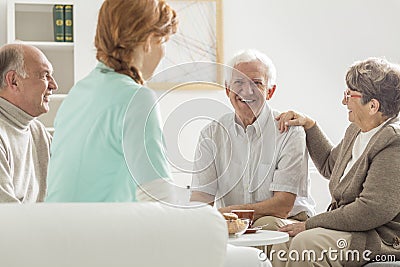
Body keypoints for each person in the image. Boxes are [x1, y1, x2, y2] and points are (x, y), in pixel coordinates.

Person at [45, 0, 178, 203]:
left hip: (59, 230)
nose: (163, 53)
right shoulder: (137, 98)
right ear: (149, 41)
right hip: (100, 233)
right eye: (164, 41)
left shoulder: (76, 95)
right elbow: (159, 199)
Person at [273, 57, 400, 266]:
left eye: (349, 95)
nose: (344, 101)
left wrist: (311, 224)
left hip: (377, 237)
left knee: (307, 244)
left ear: (373, 105)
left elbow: (371, 210)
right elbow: (330, 166)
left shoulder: (393, 142)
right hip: (348, 229)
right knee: (281, 240)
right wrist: (309, 125)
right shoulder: (357, 130)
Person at [190, 49, 315, 229]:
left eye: (256, 83)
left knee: (268, 223)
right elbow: (201, 199)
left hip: (289, 222)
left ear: (270, 91)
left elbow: (282, 206)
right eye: (238, 82)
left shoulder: (289, 131)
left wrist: (227, 212)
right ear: (227, 89)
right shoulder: (211, 134)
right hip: (236, 225)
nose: (247, 91)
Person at [0, 43, 57, 202]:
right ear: (14, 81)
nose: (54, 85)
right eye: (45, 75)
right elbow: (7, 217)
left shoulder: (36, 130)